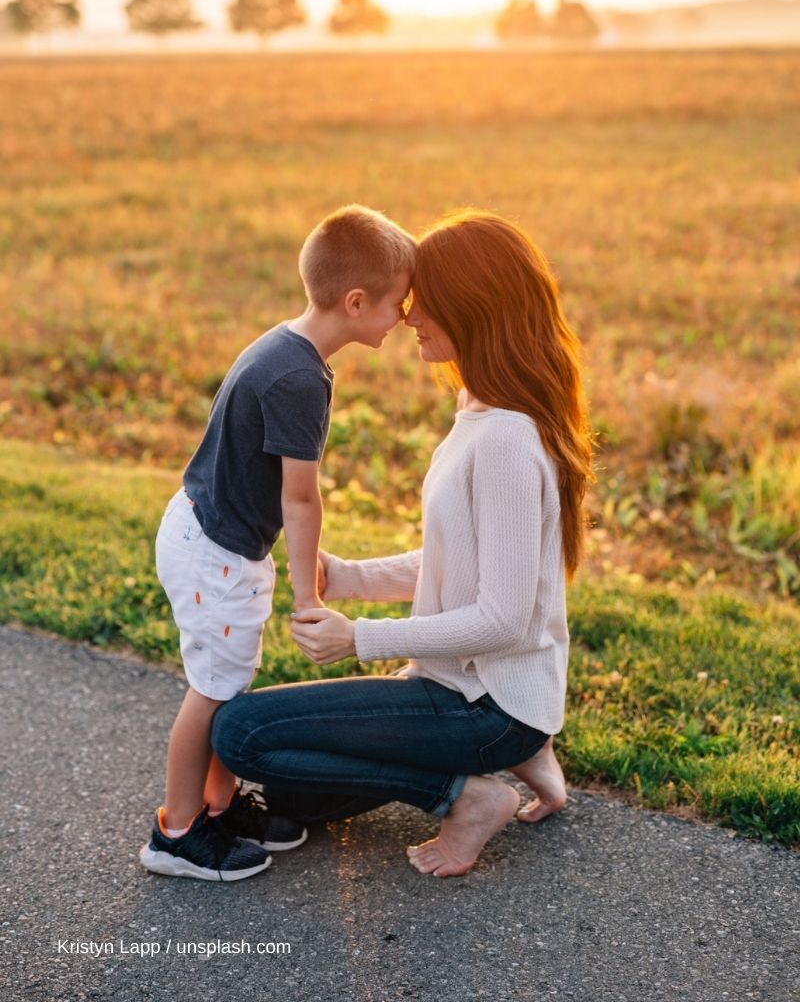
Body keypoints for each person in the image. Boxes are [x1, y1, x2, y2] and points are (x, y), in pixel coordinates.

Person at [210, 209, 593, 878]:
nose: (409, 314)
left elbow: (501, 620)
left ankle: (468, 794)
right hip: (481, 692)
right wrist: (347, 575)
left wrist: (358, 637)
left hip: (480, 704)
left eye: (425, 300)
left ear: (473, 309)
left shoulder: (504, 439)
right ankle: (528, 753)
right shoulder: (481, 406)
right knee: (294, 798)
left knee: (242, 736)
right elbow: (459, 564)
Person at [139, 205, 415, 881]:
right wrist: (306, 595)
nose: (404, 317)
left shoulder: (284, 345)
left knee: (228, 683)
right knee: (212, 692)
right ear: (356, 302)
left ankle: (218, 804)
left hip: (209, 532)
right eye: (397, 305)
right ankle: (177, 834)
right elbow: (300, 498)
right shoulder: (300, 378)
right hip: (216, 551)